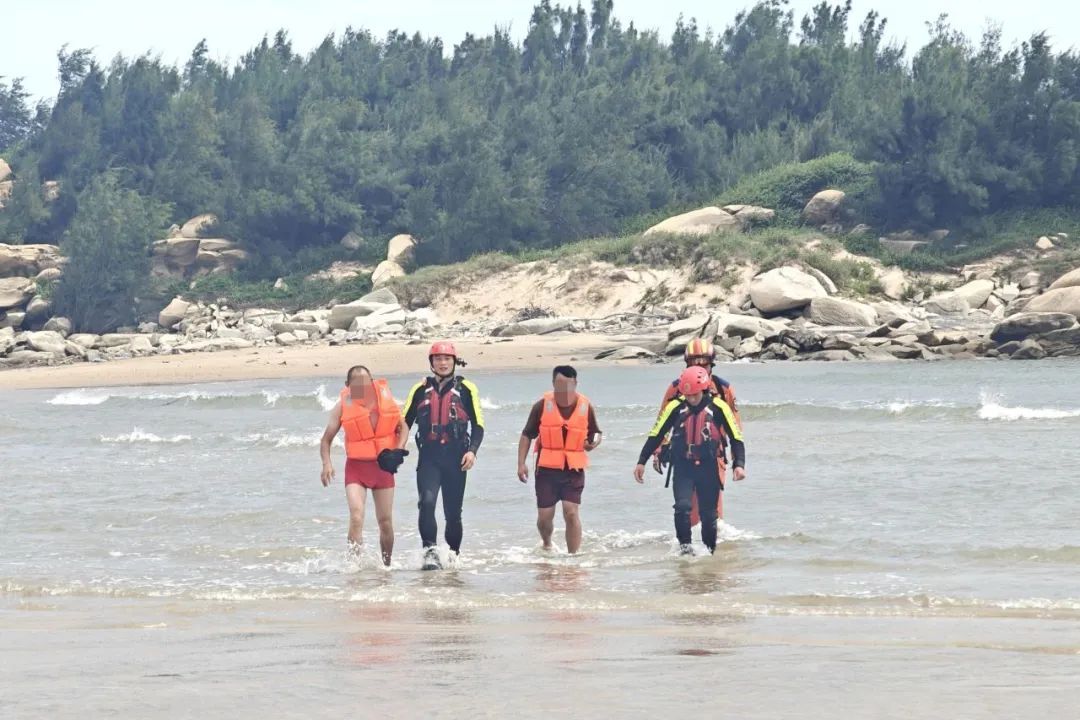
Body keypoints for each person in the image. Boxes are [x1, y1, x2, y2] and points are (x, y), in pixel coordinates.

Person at [634, 366, 746, 556]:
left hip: (708, 466)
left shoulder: (719, 407)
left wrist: (739, 465)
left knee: (709, 515)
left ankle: (709, 553)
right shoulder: (675, 407)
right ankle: (685, 550)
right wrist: (641, 461)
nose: (691, 399)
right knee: (682, 507)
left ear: (704, 389)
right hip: (683, 466)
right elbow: (656, 434)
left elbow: (736, 437)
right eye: (688, 395)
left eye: (695, 394)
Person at [402, 341, 485, 570]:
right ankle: (430, 553)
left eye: (447, 358)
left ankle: (453, 555)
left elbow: (478, 425)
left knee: (453, 513)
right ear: (431, 363)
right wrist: (397, 449)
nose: (443, 363)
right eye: (438, 359)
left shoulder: (467, 388)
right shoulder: (419, 389)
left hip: (456, 457)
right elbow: (405, 422)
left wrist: (472, 451)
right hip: (429, 457)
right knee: (426, 502)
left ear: (454, 361)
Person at [320, 365, 409, 567]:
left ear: (372, 381)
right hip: (356, 469)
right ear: (348, 385)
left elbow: (403, 427)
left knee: (385, 521)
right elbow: (326, 440)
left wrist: (399, 448)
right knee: (356, 516)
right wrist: (327, 463)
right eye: (356, 383)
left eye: (366, 382)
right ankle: (354, 566)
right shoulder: (343, 406)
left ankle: (387, 566)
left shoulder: (385, 400)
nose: (362, 387)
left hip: (383, 468)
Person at [653, 337, 743, 524]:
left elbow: (735, 427)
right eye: (695, 364)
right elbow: (662, 423)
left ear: (712, 365)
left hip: (713, 456)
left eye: (704, 364)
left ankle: (715, 541)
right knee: (687, 509)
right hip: (683, 455)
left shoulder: (723, 389)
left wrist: (738, 460)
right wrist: (658, 451)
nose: (700, 368)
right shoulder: (675, 390)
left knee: (713, 509)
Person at [517, 366, 602, 554]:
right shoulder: (541, 406)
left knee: (571, 512)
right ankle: (547, 543)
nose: (564, 391)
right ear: (553, 384)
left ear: (576, 383)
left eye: (568, 386)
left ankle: (573, 558)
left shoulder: (585, 406)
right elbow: (527, 435)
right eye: (560, 385)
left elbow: (596, 433)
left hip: (574, 469)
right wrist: (521, 464)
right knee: (545, 518)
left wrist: (593, 443)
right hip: (546, 470)